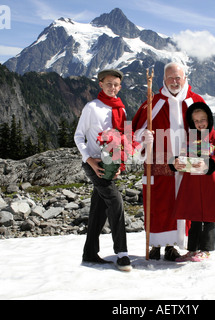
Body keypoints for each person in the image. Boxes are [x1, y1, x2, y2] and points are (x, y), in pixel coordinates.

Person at [132, 62, 205, 261]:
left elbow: (205, 132)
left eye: (178, 78)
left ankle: (173, 246)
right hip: (158, 163)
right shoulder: (152, 102)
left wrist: (201, 159)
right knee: (158, 204)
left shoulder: (195, 101)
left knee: (182, 204)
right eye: (170, 78)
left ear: (184, 78)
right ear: (163, 80)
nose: (174, 82)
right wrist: (143, 136)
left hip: (185, 164)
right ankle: (155, 244)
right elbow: (136, 130)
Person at [74, 69, 132, 271]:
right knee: (115, 201)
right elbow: (78, 136)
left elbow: (123, 139)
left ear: (120, 86)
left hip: (110, 163)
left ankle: (89, 252)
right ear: (100, 84)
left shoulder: (122, 109)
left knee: (98, 209)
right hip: (94, 163)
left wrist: (118, 166)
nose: (112, 88)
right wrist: (88, 159)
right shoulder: (92, 107)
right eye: (108, 84)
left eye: (116, 84)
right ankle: (122, 253)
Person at [171, 102, 215, 262]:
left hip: (210, 181)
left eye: (203, 119)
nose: (200, 123)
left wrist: (207, 164)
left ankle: (206, 249)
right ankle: (192, 249)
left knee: (209, 216)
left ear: (209, 119)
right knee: (194, 216)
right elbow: (182, 157)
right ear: (191, 123)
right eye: (196, 121)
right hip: (192, 182)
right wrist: (176, 163)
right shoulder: (189, 139)